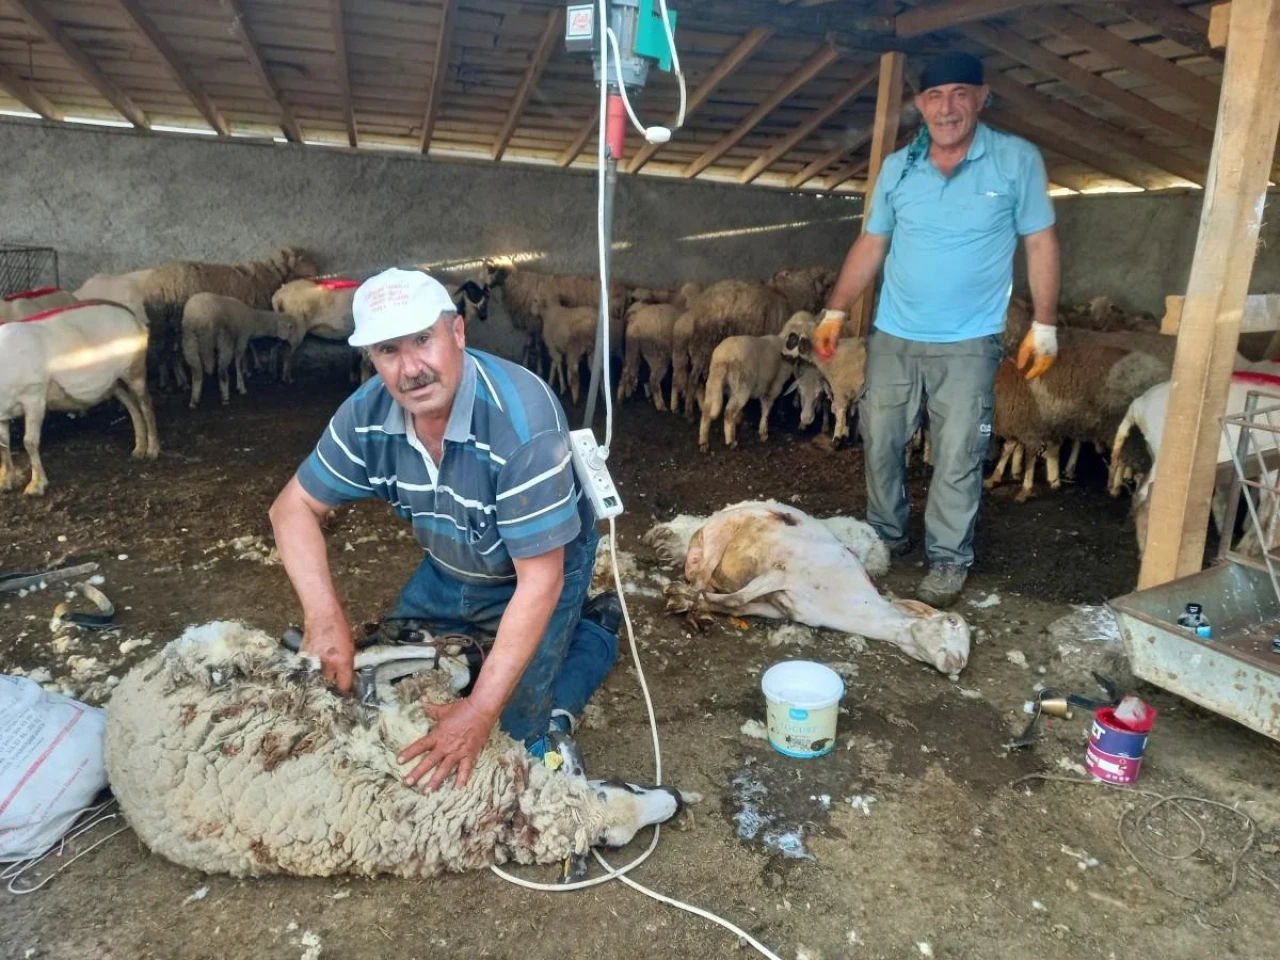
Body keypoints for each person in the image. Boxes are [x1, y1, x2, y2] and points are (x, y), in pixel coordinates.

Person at [269, 267, 620, 792]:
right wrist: (323, 618)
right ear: (372, 359)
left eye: (423, 340)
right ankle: (501, 644)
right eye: (389, 350)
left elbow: (539, 582)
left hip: (541, 568)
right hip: (452, 559)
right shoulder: (366, 417)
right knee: (398, 671)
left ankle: (591, 633)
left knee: (512, 735)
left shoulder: (521, 423)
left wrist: (479, 713)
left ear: (458, 332)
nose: (411, 368)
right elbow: (290, 508)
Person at [813, 51, 1061, 609]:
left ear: (981, 95)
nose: (947, 107)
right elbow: (872, 242)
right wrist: (835, 310)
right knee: (881, 440)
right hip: (894, 334)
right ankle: (887, 536)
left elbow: (1040, 241)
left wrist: (1044, 322)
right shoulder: (899, 167)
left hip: (969, 342)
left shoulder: (1016, 160)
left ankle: (948, 558)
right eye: (934, 96)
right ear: (920, 104)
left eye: (959, 93)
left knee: (957, 452)